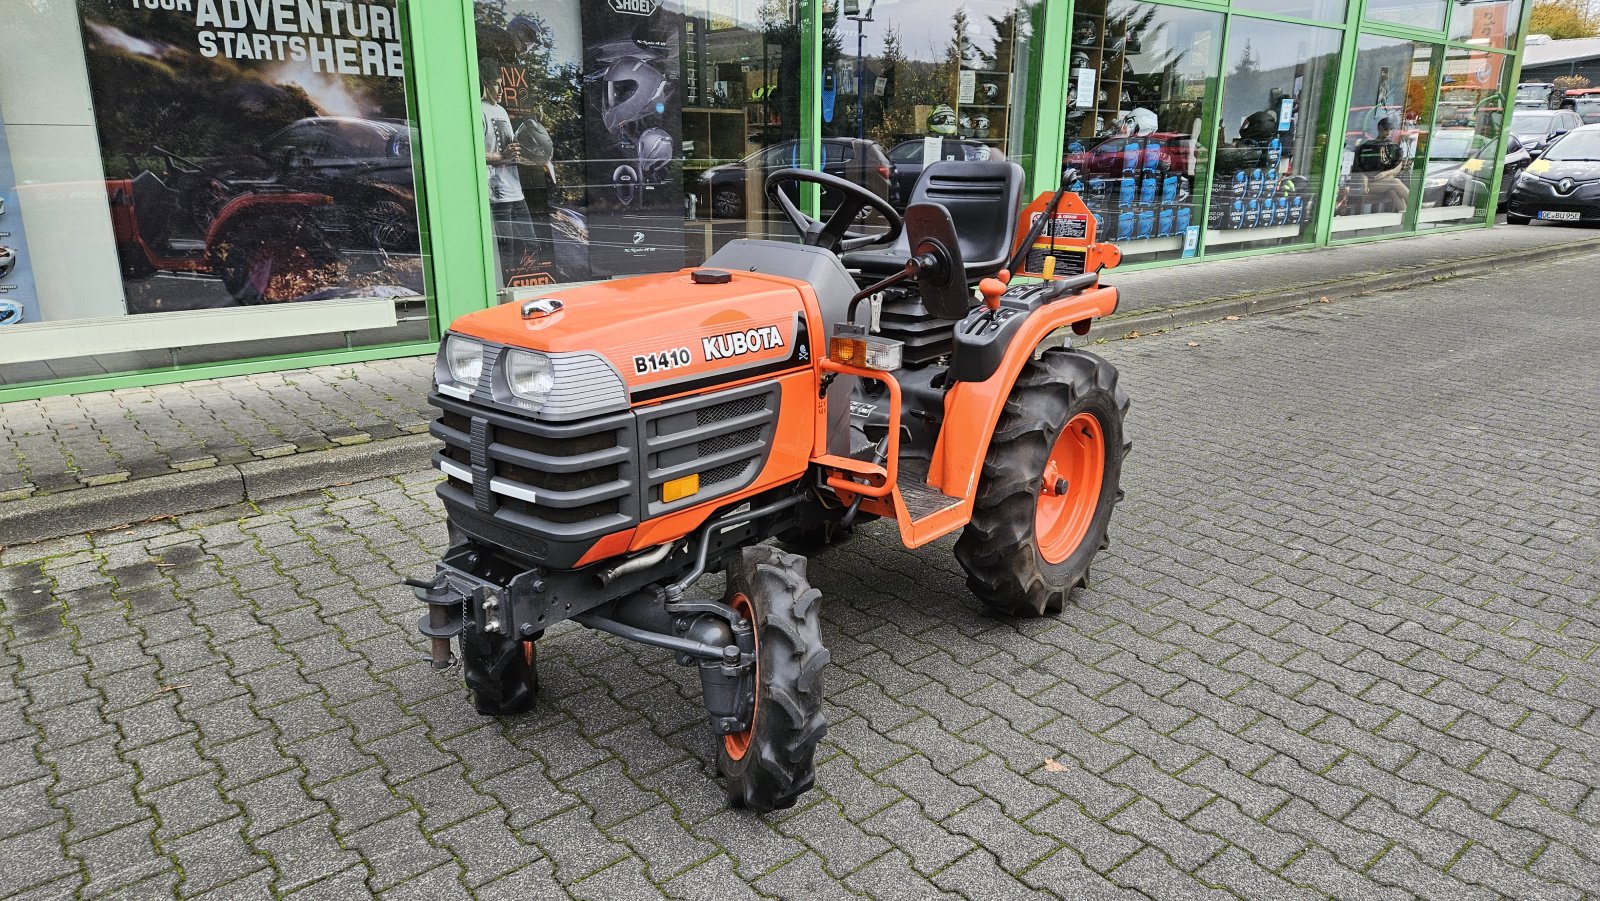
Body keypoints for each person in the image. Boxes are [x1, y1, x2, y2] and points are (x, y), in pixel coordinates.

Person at [481, 61, 539, 286]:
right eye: (496, 85)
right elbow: (476, 154)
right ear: (485, 85)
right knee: (508, 249)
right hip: (497, 193)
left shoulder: (502, 111)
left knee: (532, 244)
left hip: (516, 191)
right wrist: (503, 156)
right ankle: (504, 291)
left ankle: (520, 285)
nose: (500, 90)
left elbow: (511, 149)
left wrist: (532, 159)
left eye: (502, 85)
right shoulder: (479, 110)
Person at [1350, 117, 1409, 209]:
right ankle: (1418, 205)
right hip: (1368, 184)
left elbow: (1398, 165)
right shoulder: (1366, 146)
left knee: (1393, 191)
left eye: (1390, 130)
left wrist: (1386, 173)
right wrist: (1364, 183)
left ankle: (1404, 215)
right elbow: (1358, 168)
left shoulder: (1392, 146)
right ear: (1379, 128)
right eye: (1386, 129)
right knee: (1395, 182)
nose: (1388, 132)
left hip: (1384, 182)